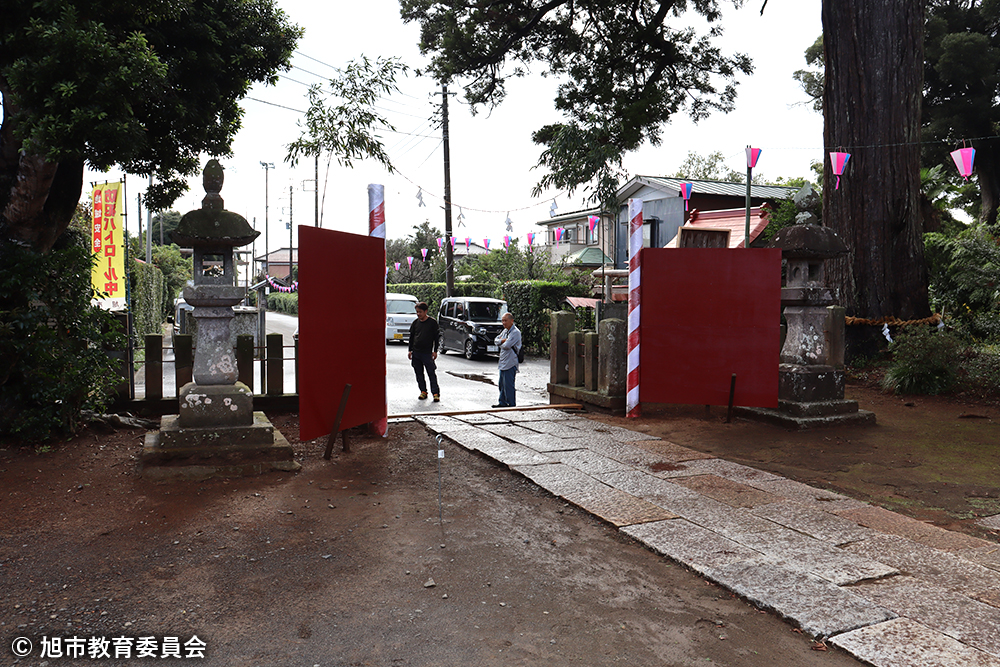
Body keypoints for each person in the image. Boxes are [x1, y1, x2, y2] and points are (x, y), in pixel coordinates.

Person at [408, 302, 440, 402]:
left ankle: (435, 393)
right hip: (416, 352)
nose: (418, 314)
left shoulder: (432, 323)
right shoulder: (415, 323)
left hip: (427, 353)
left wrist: (435, 351)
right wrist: (410, 350)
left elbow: (436, 338)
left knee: (431, 373)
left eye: (420, 312)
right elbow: (411, 337)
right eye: (417, 312)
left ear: (426, 311)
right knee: (419, 374)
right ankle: (423, 391)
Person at [492, 312, 521, 408]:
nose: (503, 323)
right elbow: (496, 340)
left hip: (510, 362)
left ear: (511, 321)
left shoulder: (515, 332)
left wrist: (502, 342)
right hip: (503, 361)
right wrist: (503, 340)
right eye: (502, 321)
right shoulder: (505, 331)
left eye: (505, 320)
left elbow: (507, 345)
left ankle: (511, 403)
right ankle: (502, 402)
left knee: (508, 384)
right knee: (501, 384)